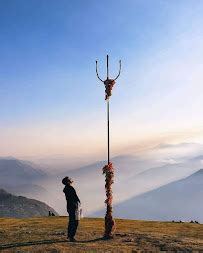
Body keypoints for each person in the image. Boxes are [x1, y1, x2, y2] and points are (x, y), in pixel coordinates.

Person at [62, 176, 81, 242]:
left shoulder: (66, 188)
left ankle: (70, 235)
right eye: (69, 179)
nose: (71, 180)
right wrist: (78, 203)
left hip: (70, 206)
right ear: (68, 181)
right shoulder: (70, 188)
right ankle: (71, 236)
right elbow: (75, 198)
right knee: (75, 221)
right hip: (73, 206)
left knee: (71, 221)